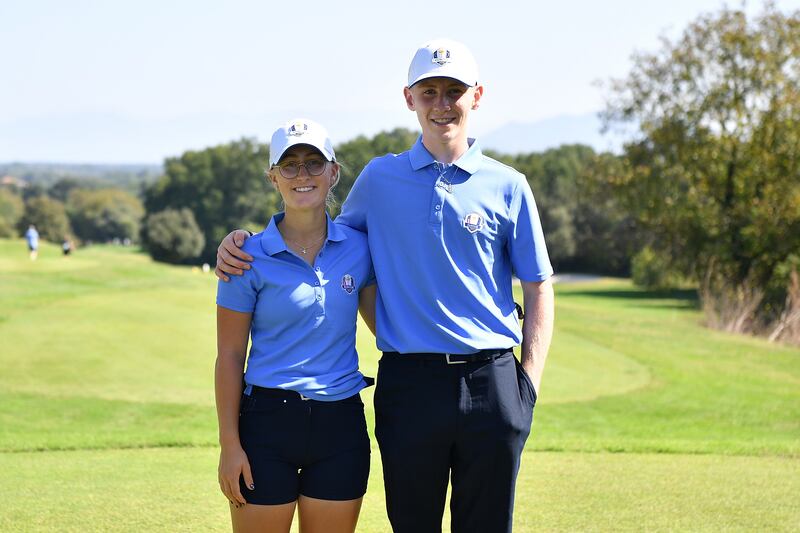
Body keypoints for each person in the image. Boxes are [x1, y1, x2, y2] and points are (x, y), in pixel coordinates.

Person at [216, 39, 555, 533]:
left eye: (454, 91)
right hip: (409, 384)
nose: (442, 104)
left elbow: (539, 286)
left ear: (476, 96)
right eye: (429, 92)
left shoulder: (509, 184)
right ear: (409, 98)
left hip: (493, 382)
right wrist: (242, 239)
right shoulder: (379, 179)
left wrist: (528, 382)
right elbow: (317, 229)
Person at [215, 118, 376, 533]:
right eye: (289, 166)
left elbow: (388, 323)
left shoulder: (361, 246)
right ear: (273, 177)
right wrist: (229, 446)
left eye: (313, 163)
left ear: (334, 172)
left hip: (341, 424)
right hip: (267, 423)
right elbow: (230, 356)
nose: (302, 174)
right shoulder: (245, 255)